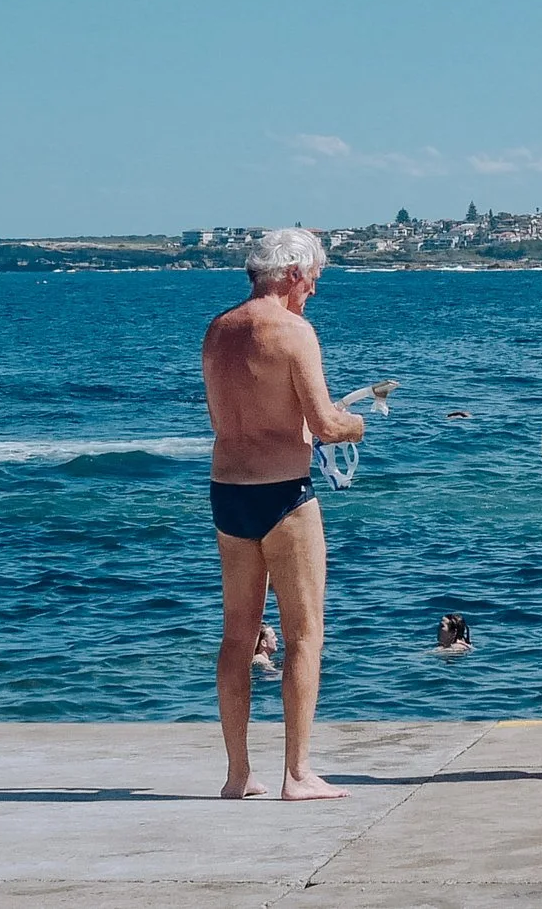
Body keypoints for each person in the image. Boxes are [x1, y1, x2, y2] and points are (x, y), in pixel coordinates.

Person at [201, 227, 365, 802]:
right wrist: (356, 422)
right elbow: (324, 424)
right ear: (293, 273)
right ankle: (298, 774)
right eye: (313, 279)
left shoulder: (218, 331)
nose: (313, 291)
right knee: (303, 635)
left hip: (228, 492)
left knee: (237, 636)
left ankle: (238, 773)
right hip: (284, 497)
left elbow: (242, 412)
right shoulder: (295, 332)